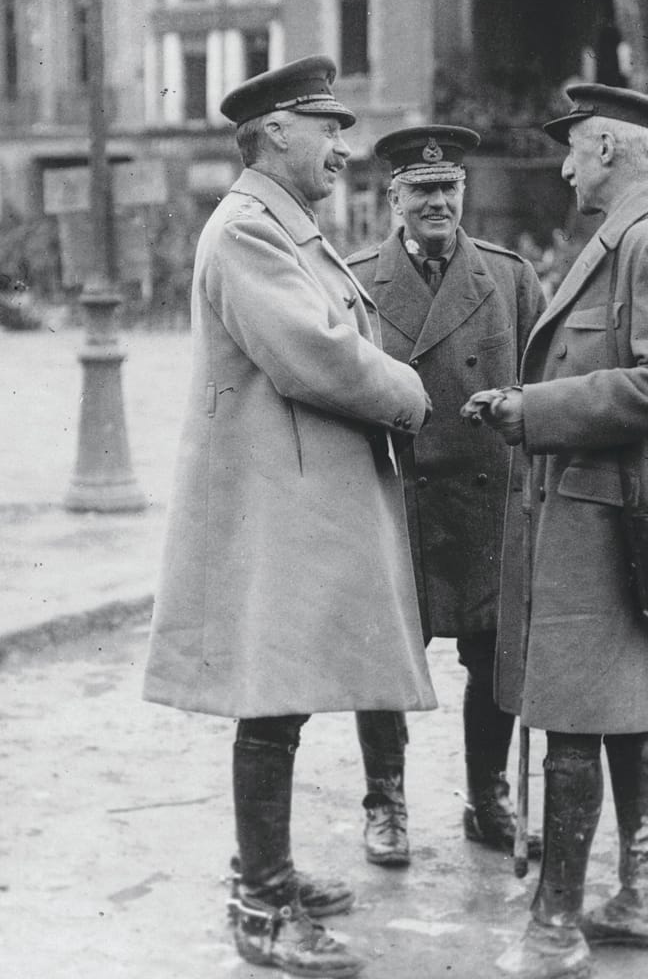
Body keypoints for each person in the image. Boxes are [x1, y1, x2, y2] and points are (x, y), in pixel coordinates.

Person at [142, 57, 437, 977]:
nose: (343, 150)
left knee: (287, 691)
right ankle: (259, 900)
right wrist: (410, 392)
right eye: (329, 129)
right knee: (270, 698)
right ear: (276, 131)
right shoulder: (247, 231)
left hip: (299, 497)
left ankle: (266, 871)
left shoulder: (282, 225)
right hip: (277, 505)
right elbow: (317, 356)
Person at [463, 83, 648, 978]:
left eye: (572, 150)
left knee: (572, 723)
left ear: (607, 151)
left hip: (609, 520)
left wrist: (537, 410)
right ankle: (642, 893)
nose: (559, 167)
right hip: (607, 514)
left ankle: (554, 927)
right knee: (623, 714)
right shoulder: (628, 238)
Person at [346, 125, 546, 866]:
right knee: (384, 658)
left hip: (485, 502)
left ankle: (486, 797)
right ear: (394, 200)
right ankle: (385, 802)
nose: (437, 203)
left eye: (448, 189)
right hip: (397, 498)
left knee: (494, 656)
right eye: (421, 191)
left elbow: (543, 379)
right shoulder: (357, 278)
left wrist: (517, 401)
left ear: (463, 193)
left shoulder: (509, 277)